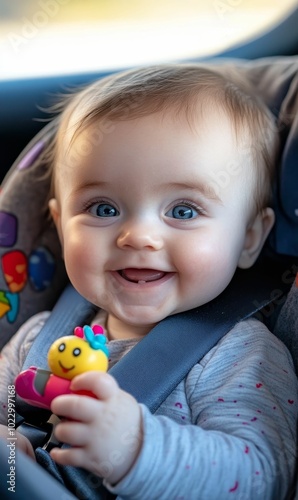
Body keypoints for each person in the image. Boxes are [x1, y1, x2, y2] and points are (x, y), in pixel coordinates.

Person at [0, 64, 297, 499]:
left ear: (250, 238)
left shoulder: (238, 355)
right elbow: (8, 412)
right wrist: (14, 448)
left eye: (183, 211)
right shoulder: (37, 338)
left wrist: (134, 448)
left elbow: (262, 476)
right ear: (61, 225)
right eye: (103, 209)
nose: (138, 235)